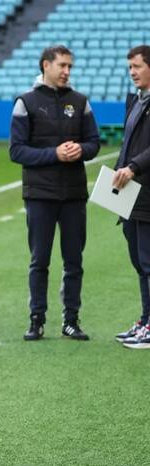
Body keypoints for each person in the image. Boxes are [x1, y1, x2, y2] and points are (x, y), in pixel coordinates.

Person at [9, 45, 100, 342]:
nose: (67, 71)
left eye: (70, 66)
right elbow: (17, 151)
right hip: (40, 195)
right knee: (40, 261)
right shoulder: (26, 102)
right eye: (62, 65)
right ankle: (37, 320)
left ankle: (71, 320)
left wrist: (81, 150)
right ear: (46, 65)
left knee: (74, 261)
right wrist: (55, 154)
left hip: (74, 194)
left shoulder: (80, 102)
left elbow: (94, 144)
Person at [111, 45, 150, 348]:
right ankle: (146, 319)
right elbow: (127, 147)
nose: (133, 72)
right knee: (139, 262)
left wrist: (134, 167)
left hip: (147, 193)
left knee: (149, 262)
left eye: (137, 66)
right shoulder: (136, 101)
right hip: (131, 195)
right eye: (130, 68)